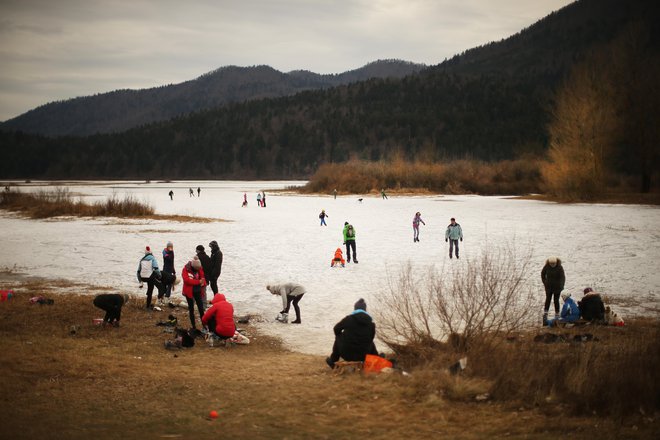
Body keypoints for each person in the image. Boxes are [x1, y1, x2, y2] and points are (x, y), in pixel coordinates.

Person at [325, 298, 378, 369]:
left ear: (355, 309)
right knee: (370, 341)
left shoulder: (349, 319)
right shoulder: (371, 324)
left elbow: (336, 329)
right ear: (365, 310)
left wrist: (343, 336)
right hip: (363, 355)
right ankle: (377, 359)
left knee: (338, 337)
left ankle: (333, 361)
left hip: (347, 354)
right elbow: (371, 337)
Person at [181, 256, 206, 329]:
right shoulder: (186, 269)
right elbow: (187, 281)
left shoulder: (199, 267)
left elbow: (202, 276)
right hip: (189, 292)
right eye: (197, 268)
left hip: (198, 291)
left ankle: (204, 326)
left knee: (201, 309)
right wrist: (198, 282)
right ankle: (193, 326)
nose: (199, 269)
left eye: (199, 268)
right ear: (193, 267)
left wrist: (203, 282)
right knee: (191, 309)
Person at [541, 256, 565, 324]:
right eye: (551, 263)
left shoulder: (560, 267)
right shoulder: (546, 266)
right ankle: (545, 314)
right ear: (549, 263)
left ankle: (557, 314)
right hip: (548, 287)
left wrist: (561, 285)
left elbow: (562, 277)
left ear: (556, 262)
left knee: (556, 300)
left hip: (557, 287)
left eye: (553, 263)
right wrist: (545, 282)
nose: (552, 265)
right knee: (548, 299)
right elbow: (542, 274)